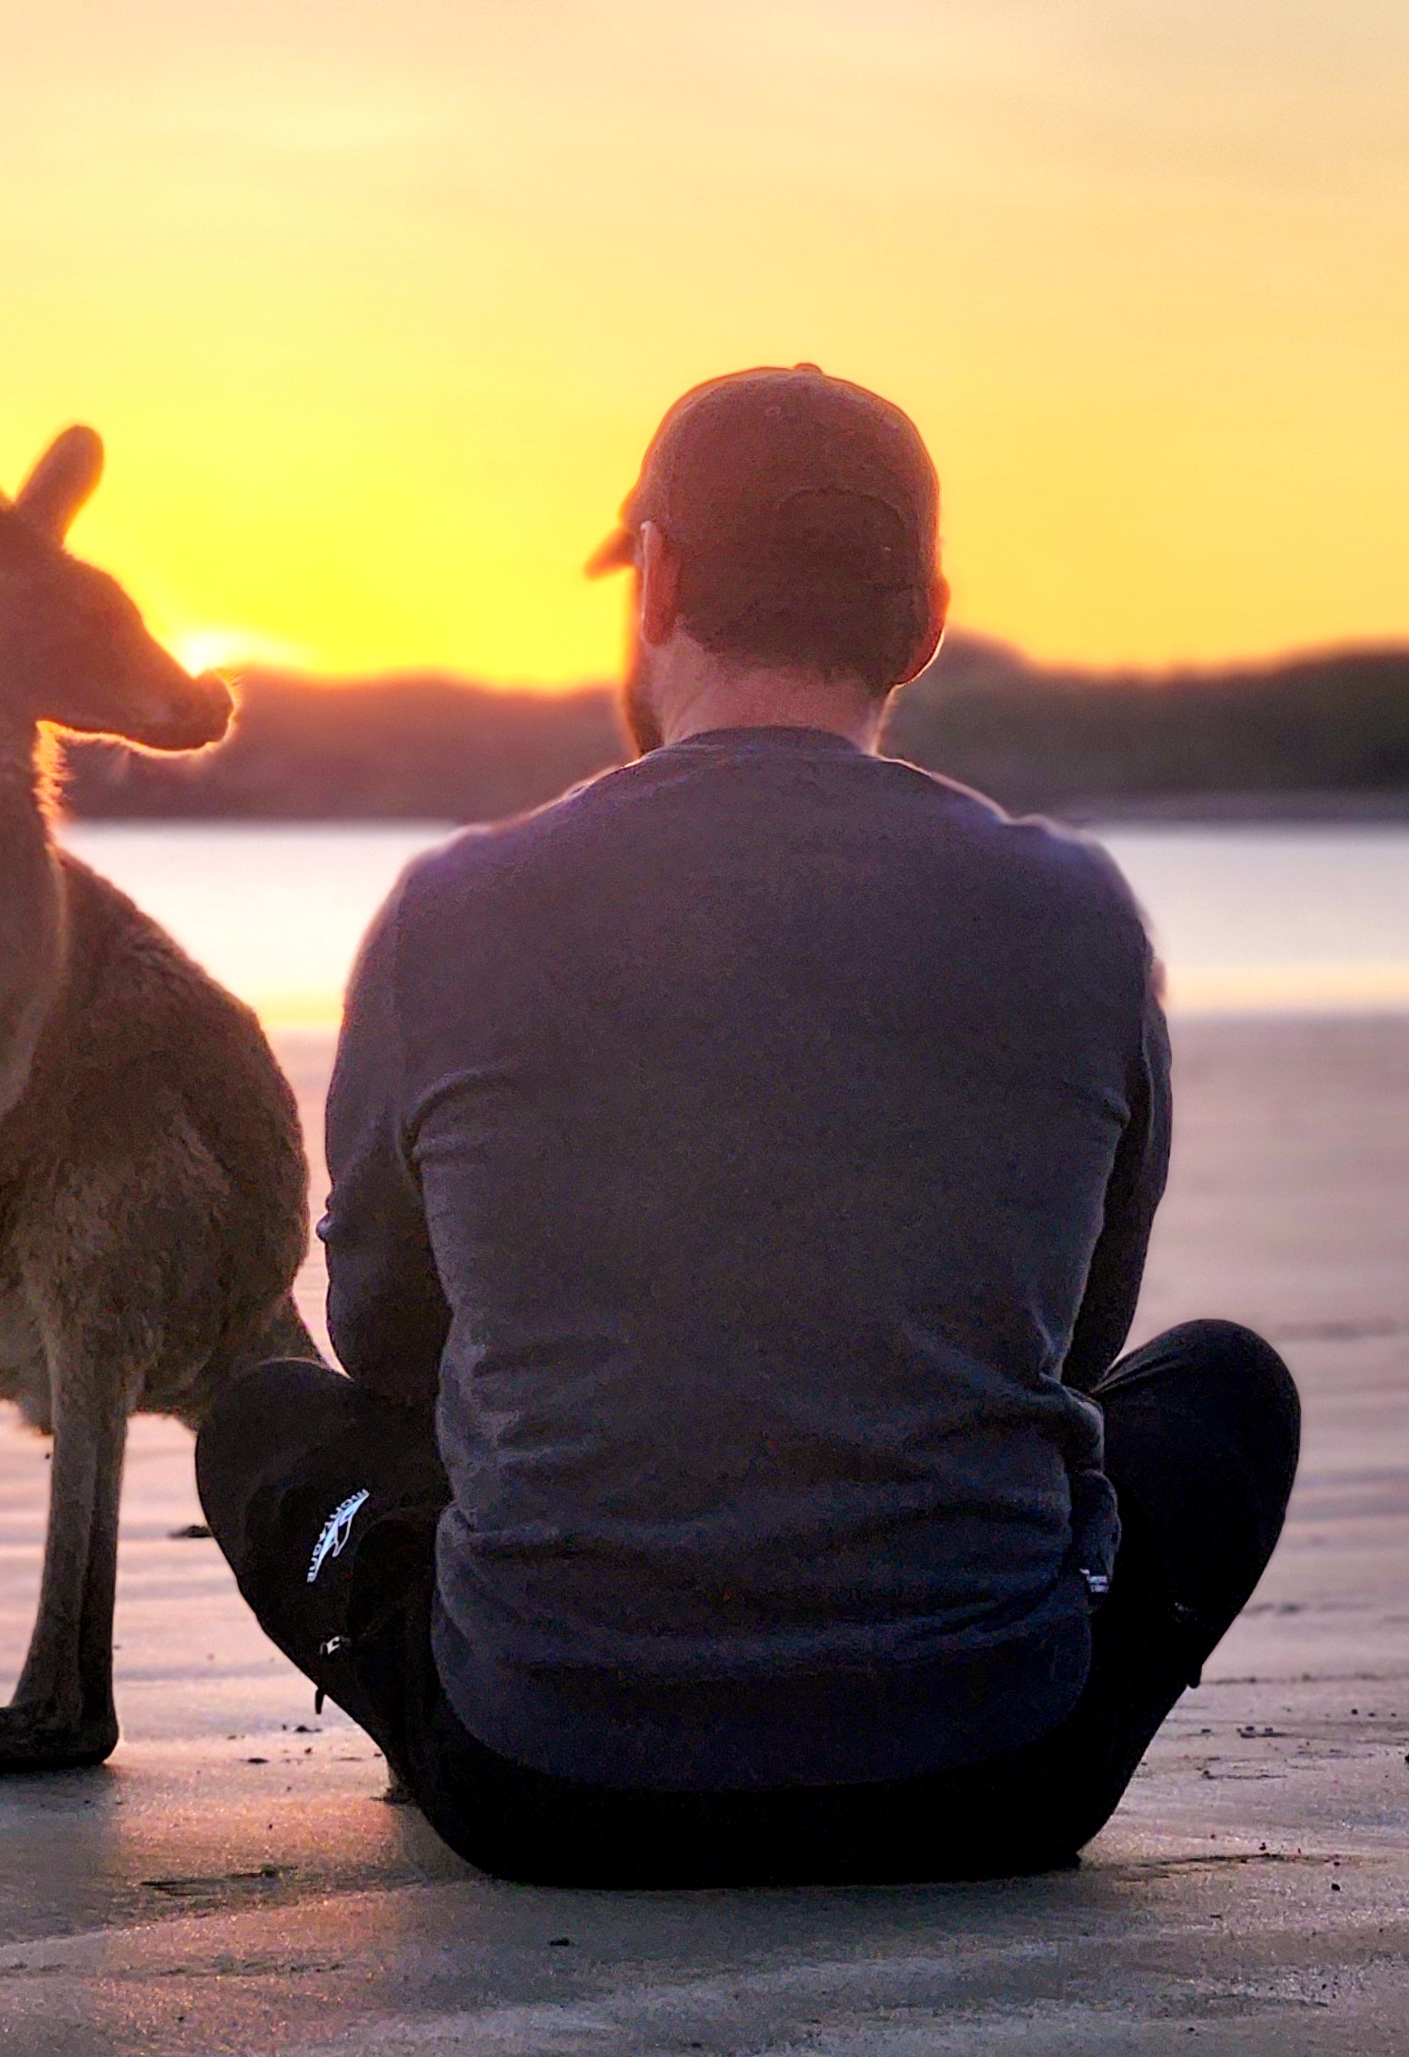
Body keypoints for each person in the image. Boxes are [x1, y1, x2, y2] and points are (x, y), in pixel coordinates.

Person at [195, 363, 1299, 1887]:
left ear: (653, 580)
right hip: (994, 1775)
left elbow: (387, 1343)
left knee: (265, 1411)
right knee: (1226, 1390)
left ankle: (509, 1668)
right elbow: (1075, 1345)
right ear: (922, 620)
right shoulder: (1078, 912)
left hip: (547, 1782)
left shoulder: (451, 913)